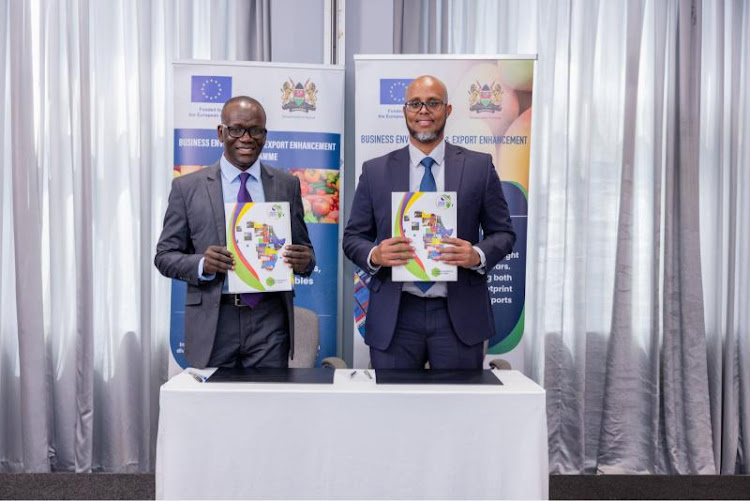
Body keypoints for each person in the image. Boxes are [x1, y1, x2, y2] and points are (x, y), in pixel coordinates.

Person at [343, 75, 515, 370]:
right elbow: (353, 238)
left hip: (458, 314)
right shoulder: (375, 171)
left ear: (447, 110)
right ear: (405, 111)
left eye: (433, 103)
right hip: (396, 316)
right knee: (394, 411)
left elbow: (504, 233)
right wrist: (375, 255)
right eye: (415, 104)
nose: (424, 111)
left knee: (457, 411)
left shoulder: (478, 167)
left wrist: (477, 255)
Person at [155, 96, 315, 369]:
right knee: (216, 410)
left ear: (264, 135)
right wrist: (202, 263)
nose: (247, 138)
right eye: (237, 129)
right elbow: (164, 256)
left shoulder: (286, 185)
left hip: (269, 318)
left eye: (256, 131)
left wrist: (305, 261)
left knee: (267, 408)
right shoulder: (187, 187)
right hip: (215, 320)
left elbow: (306, 253)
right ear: (221, 133)